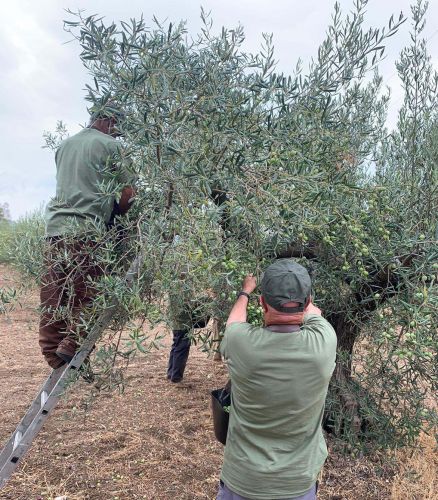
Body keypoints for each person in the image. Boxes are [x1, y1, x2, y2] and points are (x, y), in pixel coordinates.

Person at [217, 259, 337, 500]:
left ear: (262, 303)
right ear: (308, 302)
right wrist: (306, 306)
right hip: (298, 483)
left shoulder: (241, 343)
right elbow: (315, 315)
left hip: (243, 481)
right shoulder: (324, 342)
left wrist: (245, 292)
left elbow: (234, 322)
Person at [39, 104, 135, 370]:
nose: (118, 133)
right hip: (87, 231)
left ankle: (51, 351)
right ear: (110, 121)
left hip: (54, 231)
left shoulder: (65, 145)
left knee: (54, 296)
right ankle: (72, 346)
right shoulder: (111, 146)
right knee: (95, 293)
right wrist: (118, 213)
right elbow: (128, 193)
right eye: (118, 127)